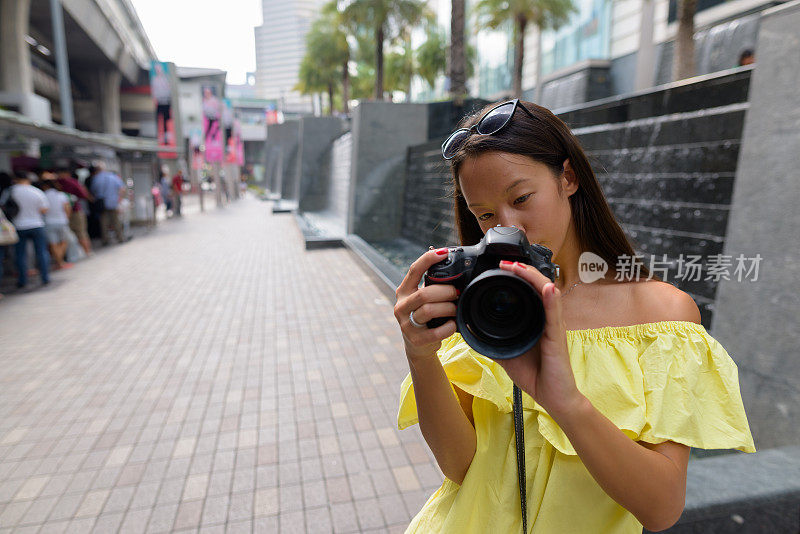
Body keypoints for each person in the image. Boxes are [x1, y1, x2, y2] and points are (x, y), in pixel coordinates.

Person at [393, 100, 755, 533]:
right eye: (485, 215)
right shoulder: (481, 305)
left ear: (568, 177)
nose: (509, 226)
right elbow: (461, 466)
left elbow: (661, 508)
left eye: (522, 198)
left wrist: (567, 405)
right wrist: (420, 355)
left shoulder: (663, 315)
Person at [0, 170, 50, 288]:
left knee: (20, 254)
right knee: (42, 252)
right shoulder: (36, 191)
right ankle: (45, 277)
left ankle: (22, 280)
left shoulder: (10, 191)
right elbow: (44, 209)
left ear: (15, 179)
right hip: (37, 224)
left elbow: (3, 206)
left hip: (19, 226)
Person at [56, 167, 93, 255]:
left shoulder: (55, 183)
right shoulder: (72, 182)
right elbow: (83, 194)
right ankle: (88, 252)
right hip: (75, 210)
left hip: (61, 212)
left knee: (65, 235)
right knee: (81, 232)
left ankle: (71, 255)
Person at [40, 175, 72, 270]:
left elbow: (42, 210)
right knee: (64, 242)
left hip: (48, 222)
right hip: (62, 221)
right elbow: (67, 208)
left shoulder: (43, 195)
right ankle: (60, 260)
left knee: (53, 244)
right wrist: (67, 218)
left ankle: (59, 262)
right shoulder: (61, 195)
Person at [89, 161, 125, 245]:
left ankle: (105, 240)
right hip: (113, 202)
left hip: (102, 203)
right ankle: (120, 238)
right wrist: (119, 199)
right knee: (116, 221)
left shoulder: (96, 178)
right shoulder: (113, 177)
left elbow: (93, 191)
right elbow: (122, 188)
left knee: (103, 222)